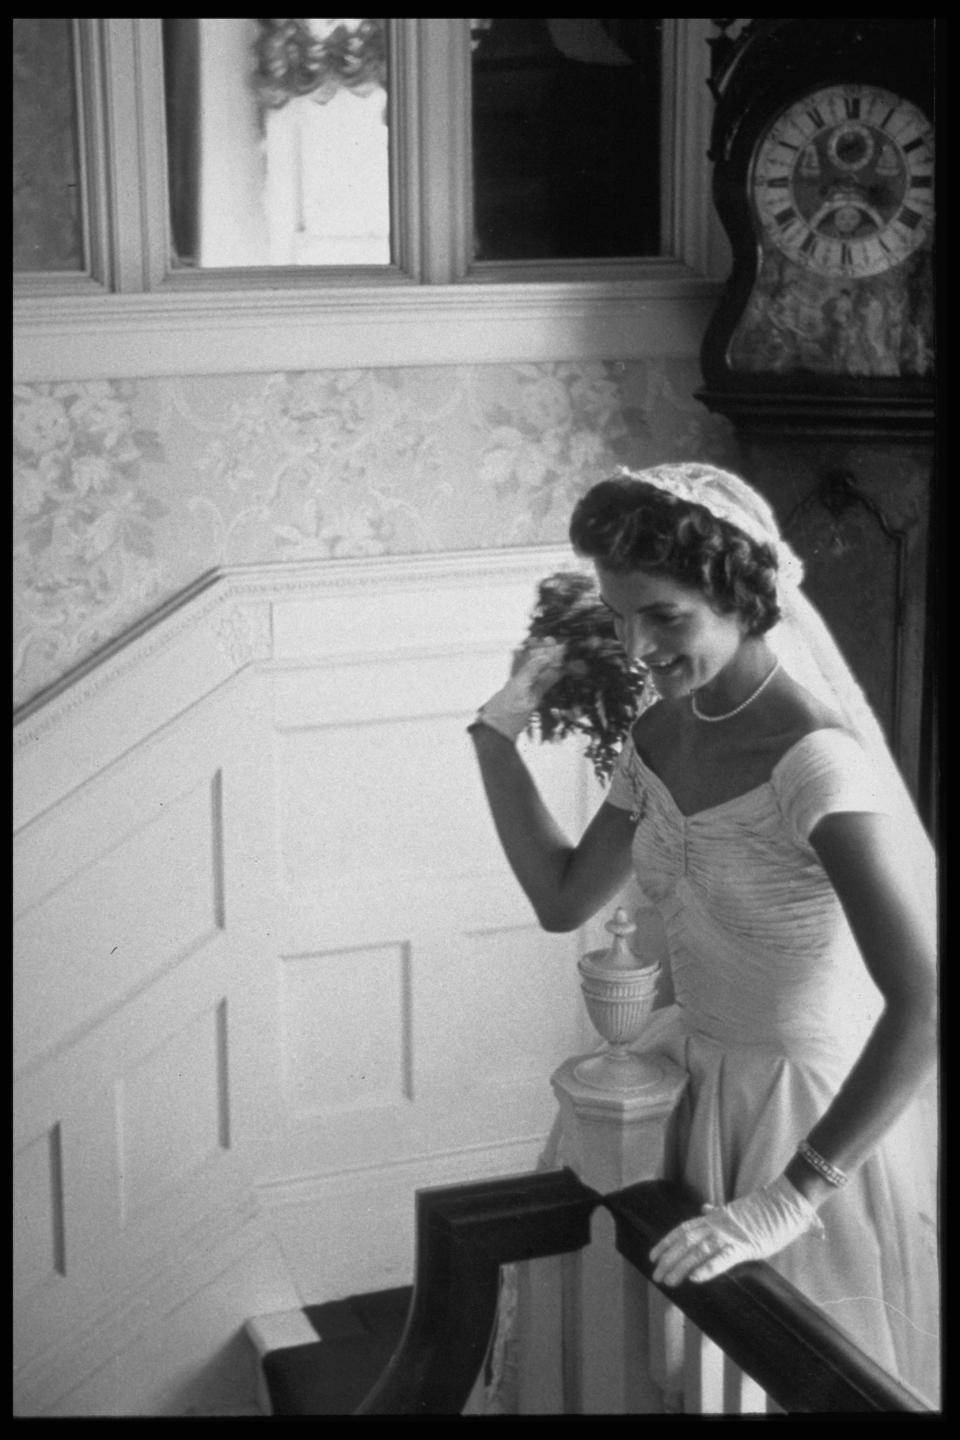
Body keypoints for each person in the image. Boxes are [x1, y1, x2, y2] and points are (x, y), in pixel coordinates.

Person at [467, 463, 939, 1407]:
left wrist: (791, 1196)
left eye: (666, 617)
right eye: (621, 615)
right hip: (681, 1085)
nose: (639, 645)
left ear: (741, 596)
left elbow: (925, 1005)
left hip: (796, 1116)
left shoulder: (811, 761)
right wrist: (494, 732)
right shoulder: (660, 733)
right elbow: (564, 897)